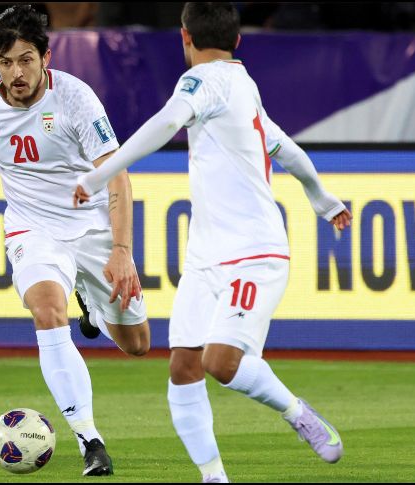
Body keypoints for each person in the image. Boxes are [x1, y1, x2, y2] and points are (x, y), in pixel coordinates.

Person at [73, 3, 352, 483]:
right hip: (205, 258)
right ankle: (214, 478)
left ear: (185, 37)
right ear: (239, 40)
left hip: (255, 253)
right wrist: (323, 199)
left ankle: (296, 412)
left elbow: (166, 122)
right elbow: (285, 147)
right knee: (183, 367)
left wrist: (101, 174)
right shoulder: (243, 85)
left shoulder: (200, 81)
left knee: (220, 362)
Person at [0, 5, 151, 477]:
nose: (17, 73)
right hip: (32, 230)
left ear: (46, 57)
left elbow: (118, 179)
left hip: (92, 228)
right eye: (7, 62)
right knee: (47, 312)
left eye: (27, 59)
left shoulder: (75, 99)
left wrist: (121, 252)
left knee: (137, 344)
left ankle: (92, 304)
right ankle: (90, 440)